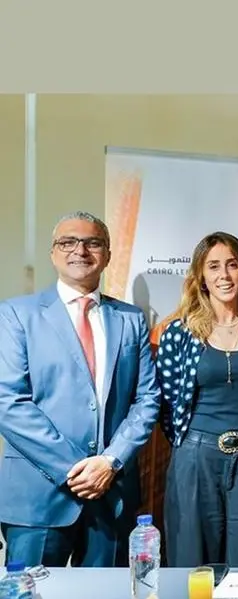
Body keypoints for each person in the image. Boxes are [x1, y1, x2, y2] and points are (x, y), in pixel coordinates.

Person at [0, 210, 161, 567]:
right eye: (68, 242)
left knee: (107, 591)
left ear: (107, 254)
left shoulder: (131, 319)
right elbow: (8, 402)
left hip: (111, 493)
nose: (80, 251)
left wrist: (110, 461)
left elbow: (147, 399)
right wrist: (77, 469)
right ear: (53, 253)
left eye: (92, 243)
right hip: (38, 498)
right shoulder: (16, 315)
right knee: (31, 591)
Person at [155, 231, 238, 568]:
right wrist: (196, 446)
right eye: (213, 266)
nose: (224, 275)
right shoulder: (179, 332)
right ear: (201, 276)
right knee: (193, 565)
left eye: (232, 265)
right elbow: (168, 403)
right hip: (196, 459)